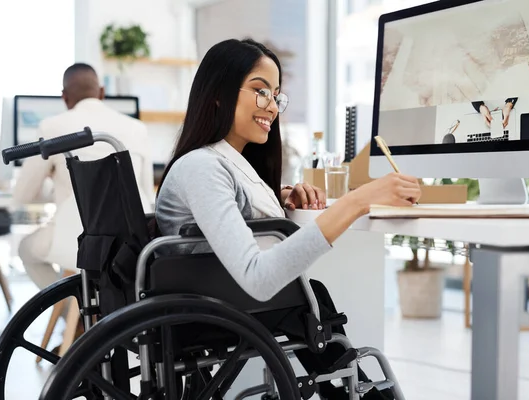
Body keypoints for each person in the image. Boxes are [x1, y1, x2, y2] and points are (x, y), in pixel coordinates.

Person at [156, 38, 421, 400]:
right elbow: (259, 278)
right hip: (215, 307)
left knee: (314, 301)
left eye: (276, 95)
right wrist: (358, 201)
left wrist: (275, 198)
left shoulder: (219, 163)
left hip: (219, 297)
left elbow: (227, 214)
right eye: (259, 91)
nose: (272, 106)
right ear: (218, 93)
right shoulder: (202, 166)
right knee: (311, 304)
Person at [13, 63, 154, 290]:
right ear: (102, 93)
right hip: (129, 247)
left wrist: (54, 183)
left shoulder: (51, 127)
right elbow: (146, 194)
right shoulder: (138, 128)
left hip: (76, 243)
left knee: (26, 249)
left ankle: (73, 312)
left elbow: (22, 195)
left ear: (65, 97)